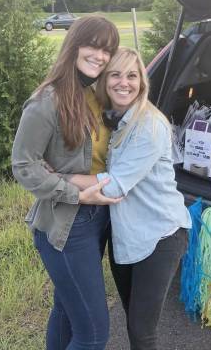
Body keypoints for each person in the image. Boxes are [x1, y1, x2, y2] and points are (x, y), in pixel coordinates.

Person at [66, 47, 192, 350]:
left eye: (132, 76)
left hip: (160, 235)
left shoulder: (148, 125)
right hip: (126, 235)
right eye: (116, 75)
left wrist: (58, 177)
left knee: (141, 331)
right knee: (132, 319)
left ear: (142, 82)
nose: (124, 83)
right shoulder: (115, 120)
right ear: (105, 81)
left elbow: (115, 186)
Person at [12, 15, 121, 350]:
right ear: (74, 45)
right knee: (92, 333)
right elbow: (23, 165)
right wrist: (75, 192)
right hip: (65, 227)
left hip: (99, 220)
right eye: (93, 46)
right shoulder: (47, 101)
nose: (100, 56)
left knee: (65, 311)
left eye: (108, 50)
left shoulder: (102, 95)